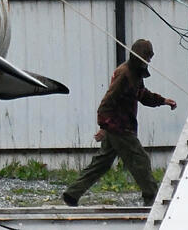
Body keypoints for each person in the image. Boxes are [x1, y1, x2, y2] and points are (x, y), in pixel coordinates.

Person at [62, 39, 177, 207]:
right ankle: (152, 198)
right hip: (120, 128)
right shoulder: (125, 74)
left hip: (118, 126)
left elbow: (142, 95)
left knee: (102, 163)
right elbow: (107, 102)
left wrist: (163, 101)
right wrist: (103, 126)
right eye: (148, 57)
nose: (149, 61)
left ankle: (72, 194)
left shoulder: (135, 73)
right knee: (140, 160)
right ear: (140, 56)